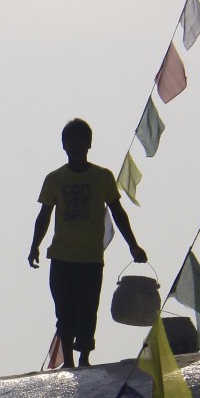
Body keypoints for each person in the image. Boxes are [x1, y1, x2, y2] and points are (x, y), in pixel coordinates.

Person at [29, 118, 148, 368]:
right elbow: (44, 216)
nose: (75, 146)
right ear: (63, 145)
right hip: (61, 257)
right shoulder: (55, 179)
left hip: (91, 259)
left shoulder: (102, 177)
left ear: (89, 144)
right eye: (70, 141)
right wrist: (34, 246)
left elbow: (117, 212)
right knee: (64, 309)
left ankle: (84, 358)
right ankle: (69, 361)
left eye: (80, 141)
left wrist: (133, 245)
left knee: (87, 309)